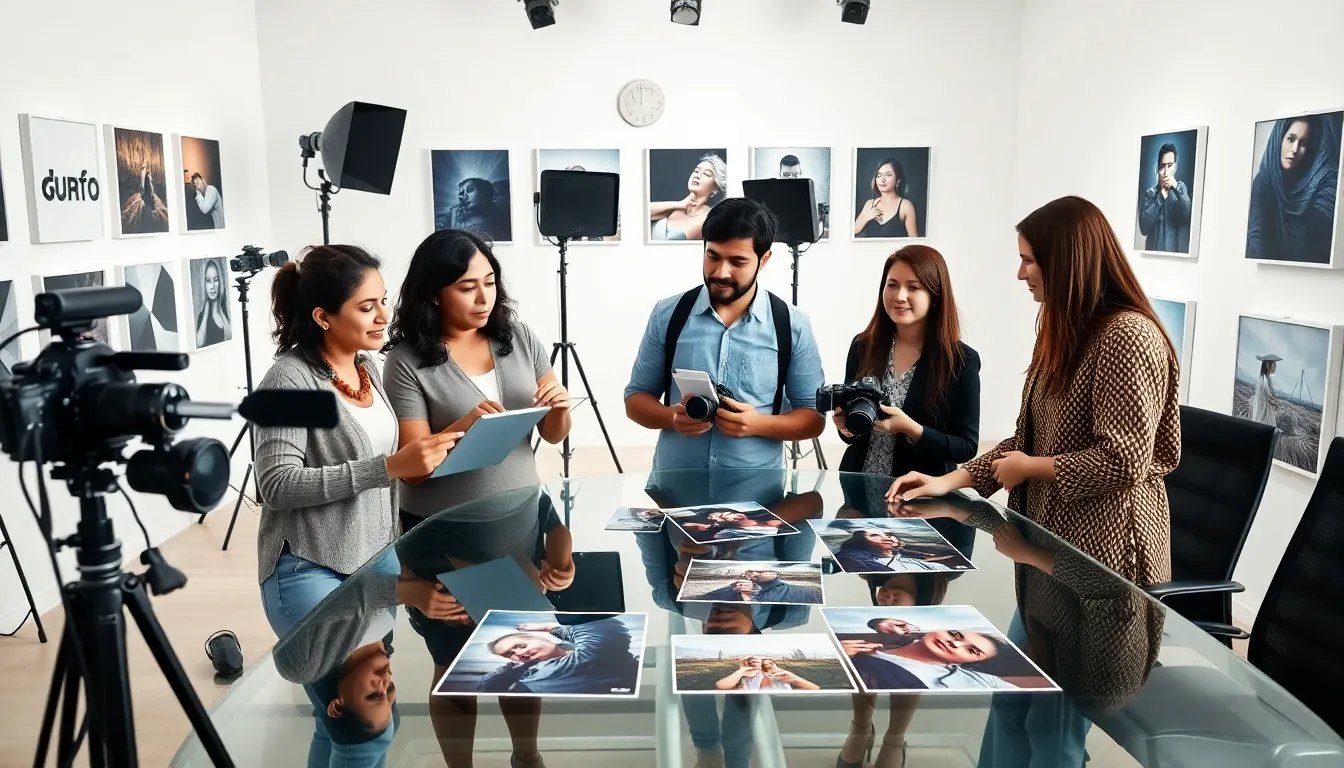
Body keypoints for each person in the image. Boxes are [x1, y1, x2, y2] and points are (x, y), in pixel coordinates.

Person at [889, 195, 1180, 765]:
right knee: (1007, 702)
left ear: (1067, 260)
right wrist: (951, 481)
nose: (1019, 272)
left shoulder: (1127, 337)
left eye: (1029, 259)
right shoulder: (1063, 330)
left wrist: (1031, 470)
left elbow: (1124, 459)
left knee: (1051, 732)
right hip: (1045, 558)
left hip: (1099, 572)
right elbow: (1022, 439)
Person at [255, 245, 469, 764]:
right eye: (366, 306)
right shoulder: (290, 380)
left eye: (383, 301)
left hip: (376, 559)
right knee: (368, 728)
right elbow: (277, 484)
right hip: (308, 568)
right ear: (323, 317)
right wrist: (389, 468)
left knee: (340, 724)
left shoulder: (367, 368)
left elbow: (389, 460)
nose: (383, 316)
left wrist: (461, 433)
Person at [382, 228, 571, 522]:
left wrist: (559, 408)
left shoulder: (519, 337)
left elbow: (553, 434)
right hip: (442, 525)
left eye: (490, 283)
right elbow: (413, 472)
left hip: (523, 510)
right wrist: (466, 425)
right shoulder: (404, 360)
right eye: (467, 288)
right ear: (434, 295)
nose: (484, 298)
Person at [626, 197, 826, 469]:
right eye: (713, 257)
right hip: (675, 491)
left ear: (764, 259)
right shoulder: (668, 315)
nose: (721, 272)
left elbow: (813, 418)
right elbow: (636, 399)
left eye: (738, 261)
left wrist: (758, 425)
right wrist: (670, 417)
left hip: (759, 496)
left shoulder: (793, 325)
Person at [835, 246, 980, 498]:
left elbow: (966, 447)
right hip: (859, 493)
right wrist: (846, 427)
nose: (900, 296)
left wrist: (913, 429)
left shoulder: (961, 361)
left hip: (919, 499)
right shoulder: (863, 346)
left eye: (913, 287)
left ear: (935, 294)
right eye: (892, 285)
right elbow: (853, 432)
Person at [1246, 112, 1342, 264]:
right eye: (1291, 139)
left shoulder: (1323, 185)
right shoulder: (1263, 183)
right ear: (1279, 139)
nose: (1295, 149)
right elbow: (1256, 237)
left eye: (1303, 143)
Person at [480, 617, 640, 695]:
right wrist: (552, 627)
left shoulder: (528, 673)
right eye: (510, 654)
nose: (520, 654)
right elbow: (605, 631)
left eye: (520, 646)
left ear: (540, 637)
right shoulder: (542, 672)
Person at [650, 153, 727, 241]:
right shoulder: (676, 208)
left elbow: (672, 243)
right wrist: (679, 204)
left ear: (715, 189)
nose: (697, 175)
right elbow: (640, 213)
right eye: (696, 171)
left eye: (706, 174)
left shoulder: (708, 218)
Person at [1137, 142, 1192, 253]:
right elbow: (1143, 228)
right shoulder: (1149, 194)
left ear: (1176, 167)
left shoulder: (1181, 190)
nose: (1166, 172)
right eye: (1162, 166)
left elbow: (1188, 216)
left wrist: (1176, 187)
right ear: (1157, 169)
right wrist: (1161, 196)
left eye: (1170, 165)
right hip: (1151, 260)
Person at [833, 528, 963, 573]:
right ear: (862, 542)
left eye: (888, 534)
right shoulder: (860, 561)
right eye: (874, 536)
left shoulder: (908, 556)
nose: (885, 538)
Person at [854, 158, 918, 238]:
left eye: (888, 175)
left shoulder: (906, 206)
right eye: (879, 175)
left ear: (898, 181)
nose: (882, 179)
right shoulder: (869, 204)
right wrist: (867, 217)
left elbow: (914, 241)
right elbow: (853, 231)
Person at [437, 177, 509, 240]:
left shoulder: (501, 217)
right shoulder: (454, 213)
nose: (463, 196)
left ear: (483, 195)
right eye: (461, 192)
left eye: (470, 190)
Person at [698, 568, 821, 604]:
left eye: (753, 571)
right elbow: (707, 596)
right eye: (749, 574)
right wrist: (736, 589)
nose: (755, 573)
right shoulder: (763, 595)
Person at [194, 258, 231, 348]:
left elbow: (229, 336)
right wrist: (206, 313)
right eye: (208, 281)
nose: (212, 287)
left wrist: (221, 311)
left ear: (221, 281)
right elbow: (199, 343)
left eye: (216, 280)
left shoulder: (225, 310)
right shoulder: (203, 315)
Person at [1251, 353, 1281, 427]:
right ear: (1268, 366)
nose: (1275, 368)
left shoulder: (1265, 377)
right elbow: (1268, 393)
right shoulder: (1265, 379)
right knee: (1264, 422)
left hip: (1263, 404)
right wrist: (1274, 403)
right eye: (1274, 366)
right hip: (1264, 405)